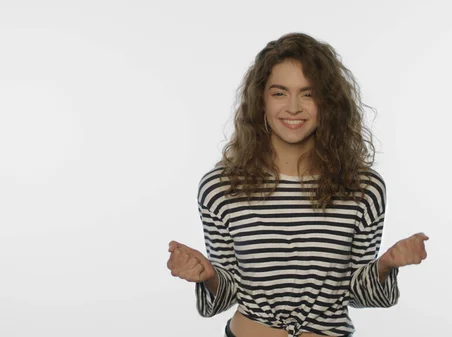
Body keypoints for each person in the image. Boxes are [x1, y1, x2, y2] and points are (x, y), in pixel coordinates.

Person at [167, 32, 429, 337]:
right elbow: (226, 294)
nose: (293, 107)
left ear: (328, 103)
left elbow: (357, 294)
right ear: (260, 101)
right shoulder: (222, 188)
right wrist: (208, 276)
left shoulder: (362, 188)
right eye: (279, 93)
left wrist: (385, 265)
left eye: (308, 93)